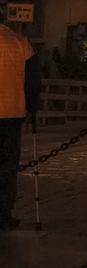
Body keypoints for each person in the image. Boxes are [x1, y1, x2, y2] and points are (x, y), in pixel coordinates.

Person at [0, 16, 40, 230]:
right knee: (7, 167)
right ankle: (4, 213)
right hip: (12, 113)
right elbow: (33, 82)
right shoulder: (21, 43)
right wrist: (32, 108)